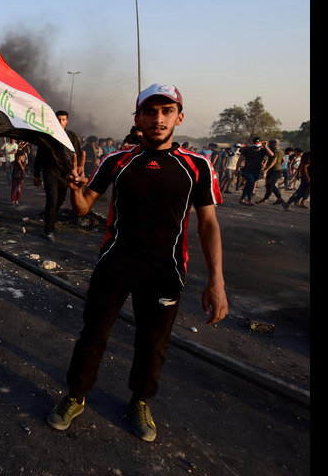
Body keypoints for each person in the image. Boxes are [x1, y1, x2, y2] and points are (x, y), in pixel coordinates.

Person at [46, 84, 228, 442]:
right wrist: (74, 186)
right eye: (151, 111)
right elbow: (83, 208)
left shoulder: (197, 166)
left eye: (166, 111)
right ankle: (76, 395)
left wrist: (217, 281)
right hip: (116, 264)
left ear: (179, 116)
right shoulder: (118, 161)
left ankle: (141, 400)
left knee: (153, 343)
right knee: (93, 334)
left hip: (166, 270)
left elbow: (208, 223)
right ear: (138, 118)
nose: (158, 119)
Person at [33, 110, 82, 241]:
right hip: (50, 171)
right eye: (58, 119)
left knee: (60, 199)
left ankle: (50, 216)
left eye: (63, 119)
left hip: (66, 174)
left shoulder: (71, 136)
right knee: (52, 199)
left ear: (67, 121)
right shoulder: (48, 135)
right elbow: (40, 156)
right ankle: (49, 230)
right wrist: (36, 174)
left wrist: (78, 170)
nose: (61, 122)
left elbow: (77, 153)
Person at [238, 138, 272, 205]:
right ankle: (250, 199)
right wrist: (237, 168)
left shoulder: (263, 151)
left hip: (257, 171)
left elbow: (271, 155)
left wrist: (266, 146)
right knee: (251, 183)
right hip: (247, 170)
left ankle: (242, 199)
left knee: (248, 185)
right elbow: (240, 159)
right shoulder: (247, 150)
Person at [256, 139, 286, 205]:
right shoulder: (281, 151)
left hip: (274, 170)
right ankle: (279, 198)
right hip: (277, 169)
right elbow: (283, 160)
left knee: (270, 184)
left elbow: (274, 161)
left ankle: (266, 199)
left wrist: (266, 169)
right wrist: (279, 165)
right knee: (270, 184)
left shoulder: (275, 151)